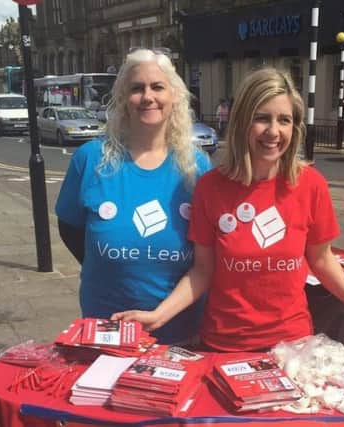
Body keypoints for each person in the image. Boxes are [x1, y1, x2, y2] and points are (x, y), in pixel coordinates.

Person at [112, 68, 344, 352]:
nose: (273, 131)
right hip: (224, 347)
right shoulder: (211, 187)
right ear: (243, 123)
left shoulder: (310, 184)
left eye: (284, 120)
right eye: (262, 118)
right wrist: (158, 316)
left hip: (293, 348)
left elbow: (322, 260)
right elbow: (203, 270)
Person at [54, 48, 212, 345]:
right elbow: (70, 228)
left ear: (175, 95)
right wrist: (110, 265)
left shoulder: (197, 167)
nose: (148, 96)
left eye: (158, 87)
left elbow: (206, 256)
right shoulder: (90, 159)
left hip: (181, 332)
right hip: (106, 328)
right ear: (124, 99)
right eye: (137, 88)